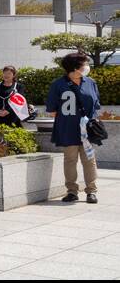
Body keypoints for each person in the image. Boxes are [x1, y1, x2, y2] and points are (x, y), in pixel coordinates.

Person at [45, 52, 101, 204]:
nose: (86, 67)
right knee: (70, 160)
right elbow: (52, 109)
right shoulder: (58, 84)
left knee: (89, 160)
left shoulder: (90, 82)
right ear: (75, 68)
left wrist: (93, 122)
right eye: (84, 64)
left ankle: (91, 191)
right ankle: (72, 191)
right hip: (68, 128)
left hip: (87, 129)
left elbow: (96, 105)